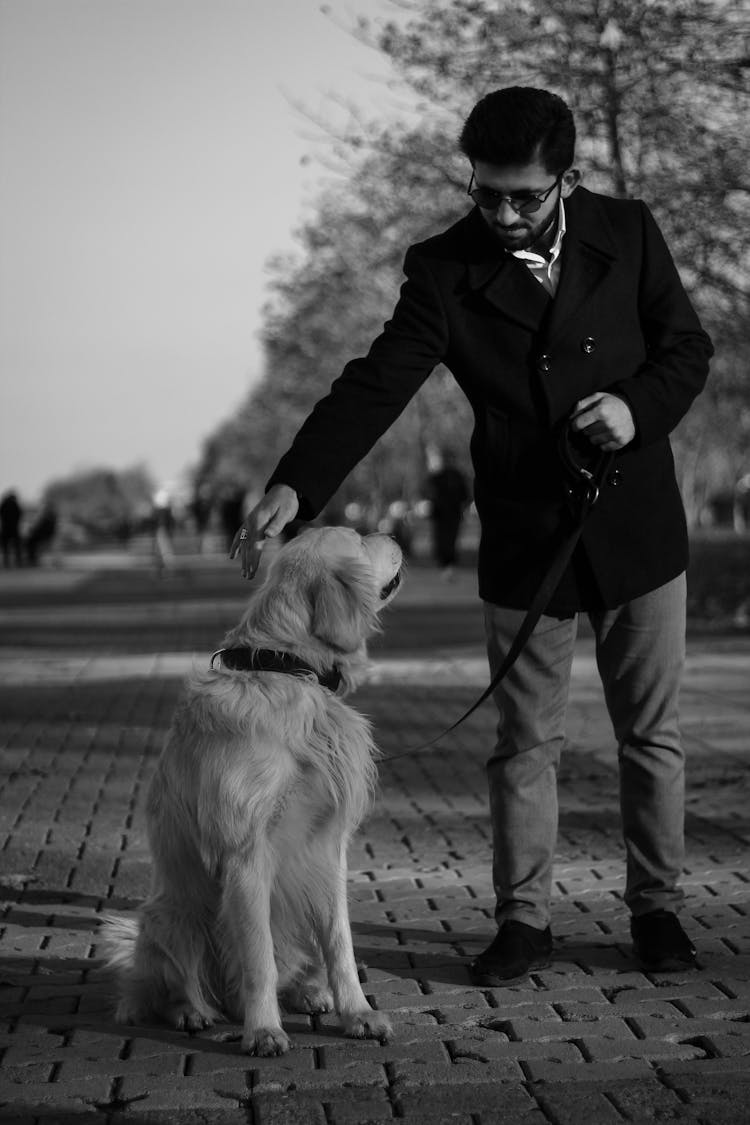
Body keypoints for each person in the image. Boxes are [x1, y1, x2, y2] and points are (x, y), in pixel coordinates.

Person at [231, 87, 712, 982]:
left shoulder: (632, 231)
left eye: (523, 196)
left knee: (651, 735)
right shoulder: (445, 267)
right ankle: (523, 920)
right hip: (527, 539)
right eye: (484, 191)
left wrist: (634, 408)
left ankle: (659, 913)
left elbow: (689, 348)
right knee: (524, 743)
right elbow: (376, 383)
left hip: (640, 530)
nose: (499, 212)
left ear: (568, 179)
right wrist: (297, 482)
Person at [426, 447, 470, 577]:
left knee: (450, 539)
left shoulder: (457, 476)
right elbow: (430, 493)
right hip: (442, 514)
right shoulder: (438, 477)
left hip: (452, 514)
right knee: (442, 539)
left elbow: (465, 495)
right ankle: (444, 564)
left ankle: (448, 564)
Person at [0, 490, 24, 568]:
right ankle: (19, 561)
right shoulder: (15, 504)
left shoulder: (4, 504)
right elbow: (20, 514)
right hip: (14, 528)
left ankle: (6, 562)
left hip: (6, 528)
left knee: (6, 546)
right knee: (17, 546)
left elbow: (1, 514)